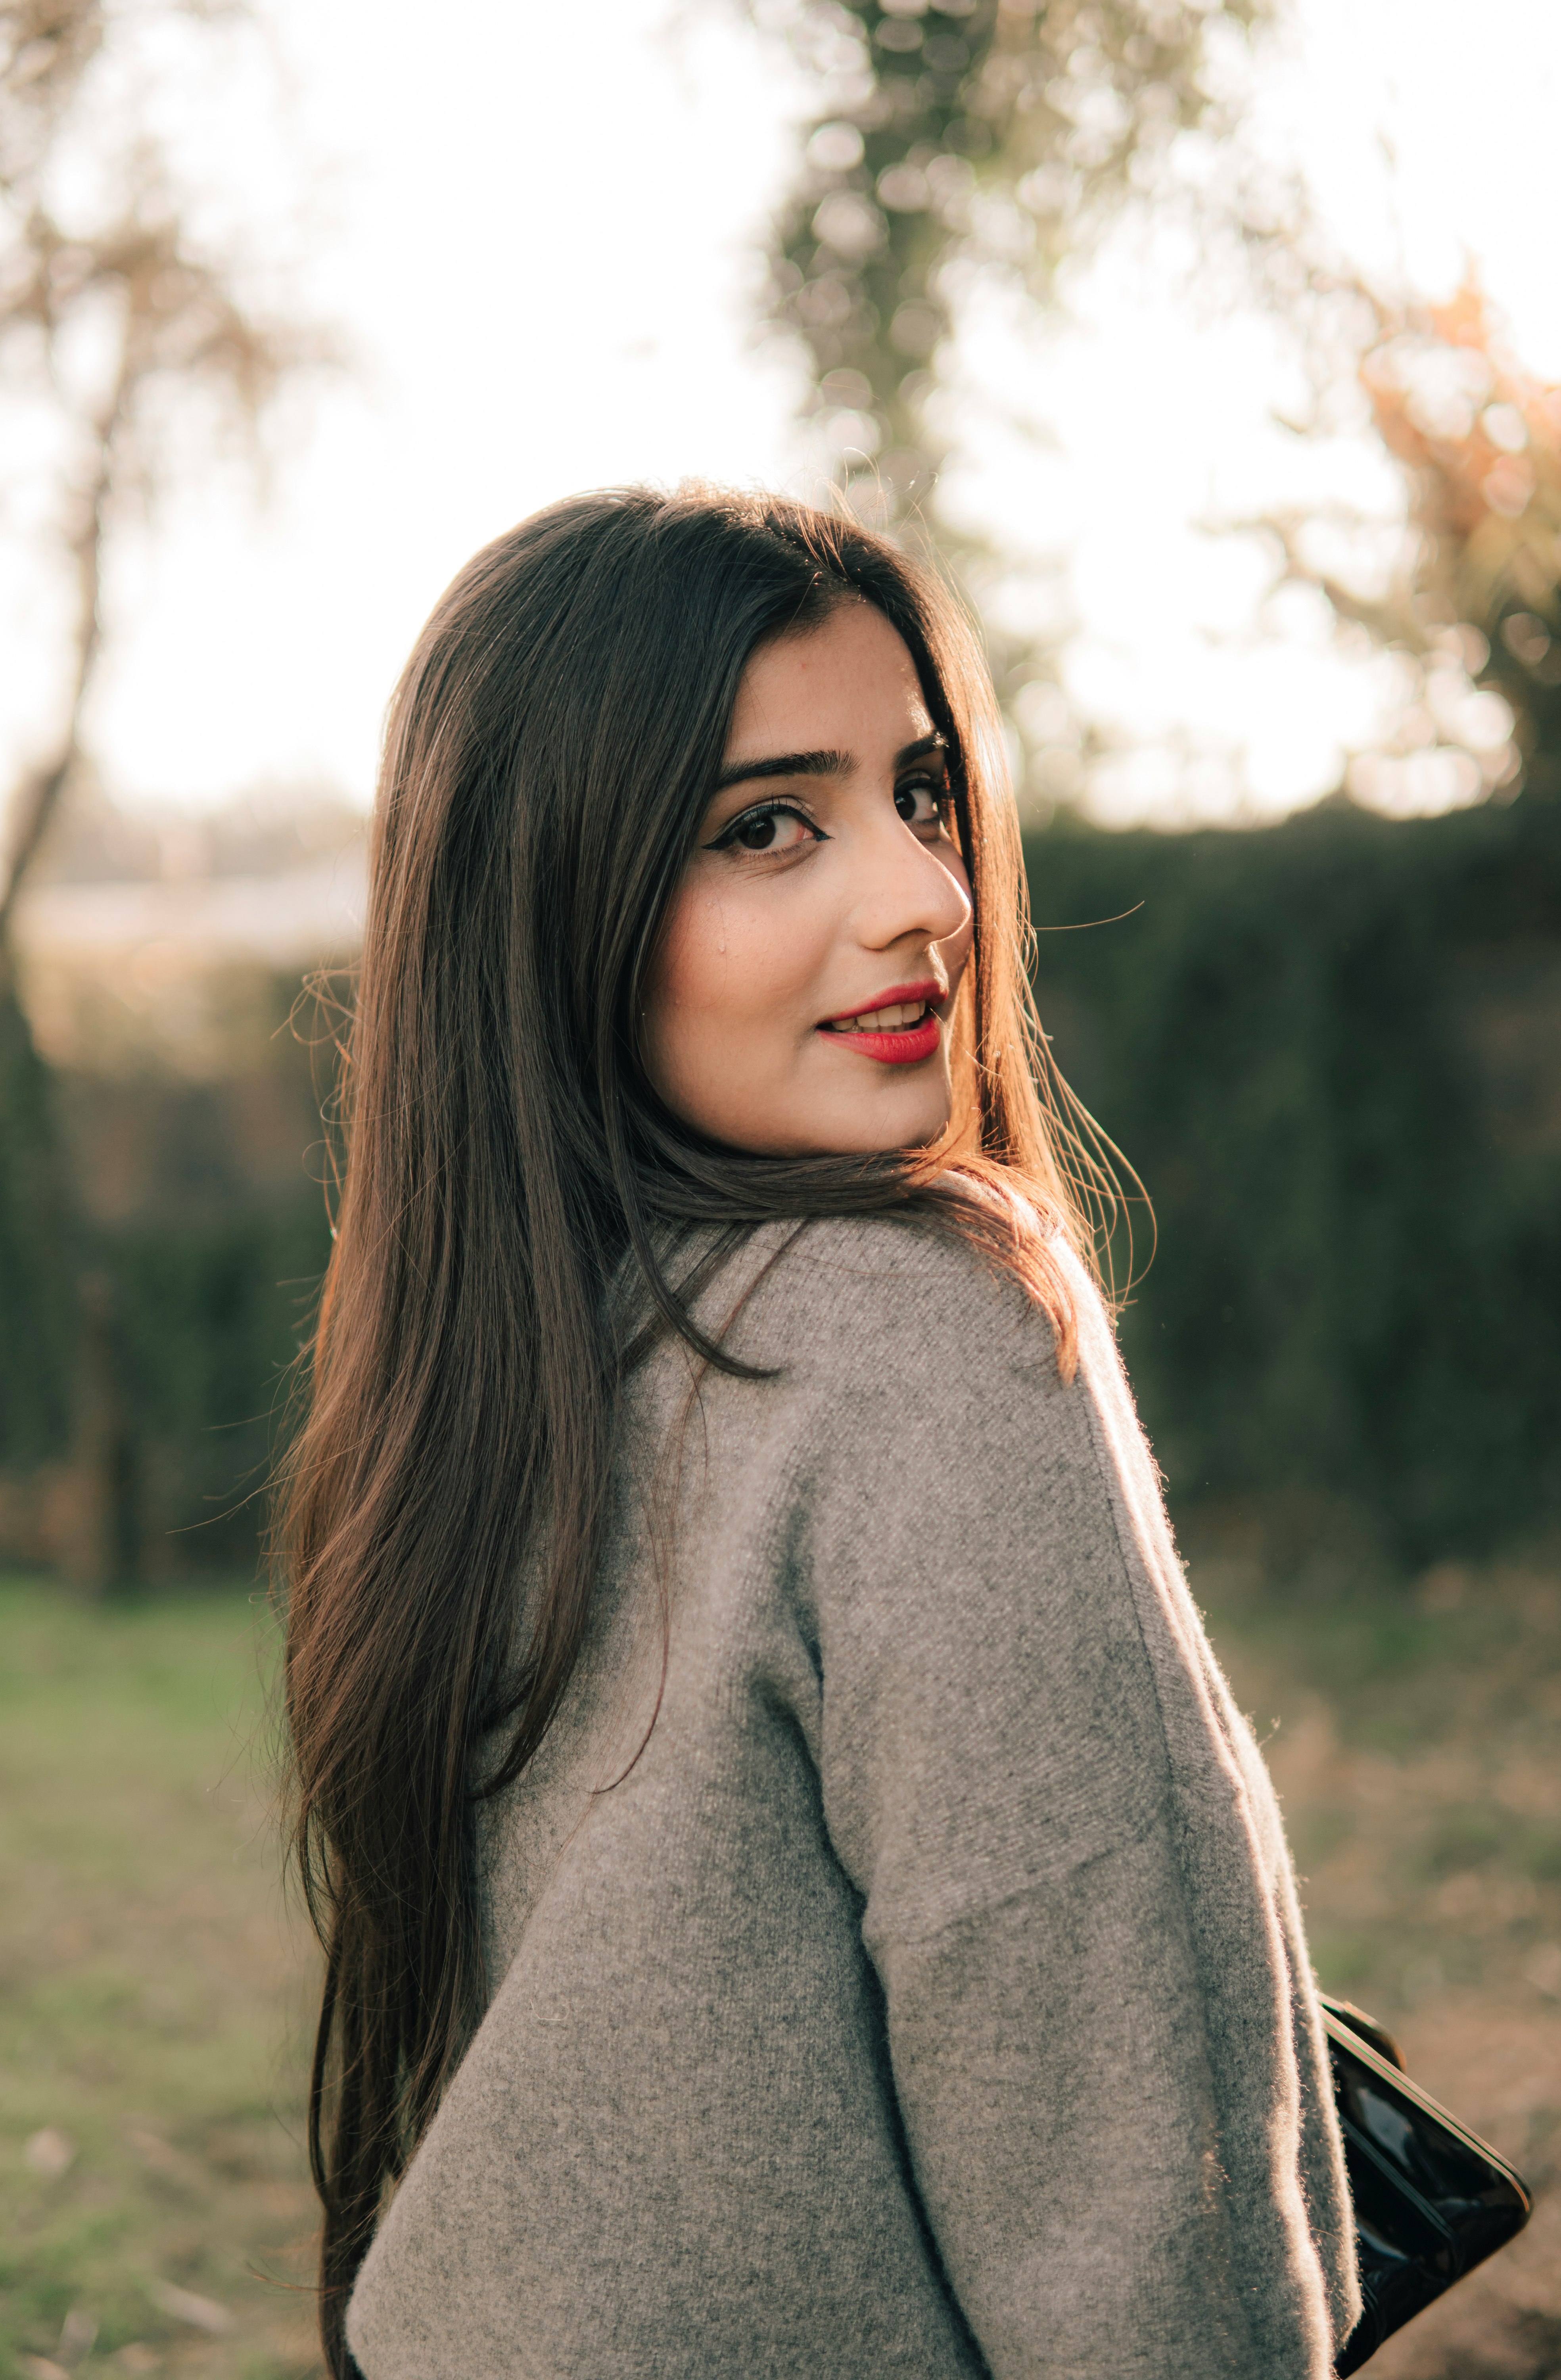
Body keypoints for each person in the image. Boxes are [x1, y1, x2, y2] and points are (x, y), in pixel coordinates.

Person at [279, 486, 1360, 2380]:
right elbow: (1127, 2169)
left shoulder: (482, 1367)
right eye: (766, 826)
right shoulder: (928, 1329)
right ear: (553, 905)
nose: (927, 896)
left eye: (922, 792)